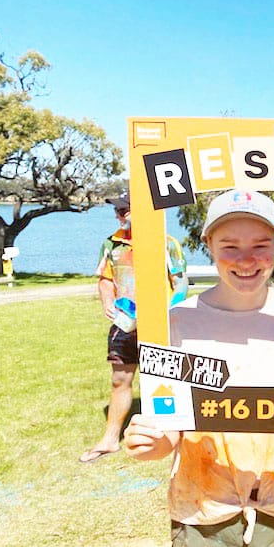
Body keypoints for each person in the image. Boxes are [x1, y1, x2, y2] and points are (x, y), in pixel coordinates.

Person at [124, 189, 274, 547]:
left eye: (260, 244)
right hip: (203, 517)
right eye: (229, 245)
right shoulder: (176, 325)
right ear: (208, 243)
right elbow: (171, 425)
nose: (246, 259)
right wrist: (151, 443)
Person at [79, 191, 188, 463]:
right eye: (117, 211)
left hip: (160, 323)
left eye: (124, 209)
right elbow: (105, 279)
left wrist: (169, 311)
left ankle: (174, 436)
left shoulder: (166, 243)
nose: (119, 215)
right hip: (124, 323)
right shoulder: (111, 244)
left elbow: (181, 283)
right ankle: (110, 439)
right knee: (119, 380)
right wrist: (107, 301)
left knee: (165, 381)